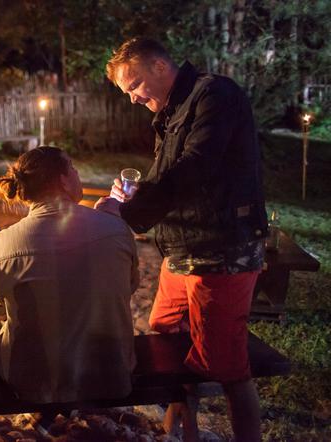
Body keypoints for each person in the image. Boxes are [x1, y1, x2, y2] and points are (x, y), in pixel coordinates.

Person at [96, 37, 268, 442]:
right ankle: (180, 430)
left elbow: (195, 168)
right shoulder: (173, 111)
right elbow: (169, 175)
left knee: (225, 365)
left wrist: (129, 214)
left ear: (160, 66)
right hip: (184, 249)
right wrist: (133, 196)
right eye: (127, 92)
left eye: (135, 84)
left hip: (222, 250)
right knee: (164, 331)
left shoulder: (215, 95)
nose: (133, 99)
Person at [0, 147, 138, 421]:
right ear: (64, 180)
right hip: (109, 375)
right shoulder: (115, 229)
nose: (78, 176)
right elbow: (130, 285)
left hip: (33, 383)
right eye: (74, 170)